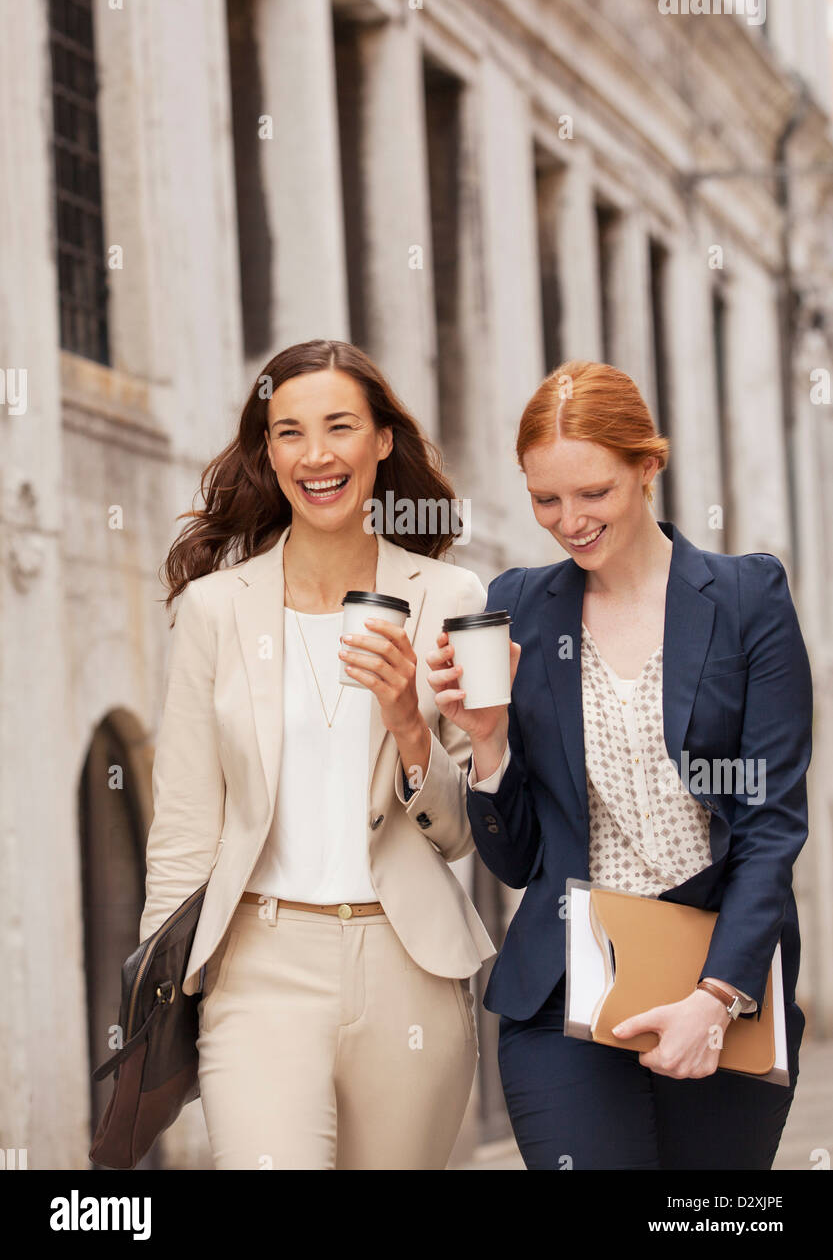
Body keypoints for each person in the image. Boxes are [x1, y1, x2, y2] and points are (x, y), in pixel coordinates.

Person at [428, 359, 812, 1170]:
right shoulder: (520, 602)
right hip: (564, 988)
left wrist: (714, 999)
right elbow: (516, 856)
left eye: (592, 492)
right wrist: (487, 742)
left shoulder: (748, 599)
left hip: (720, 979)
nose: (568, 521)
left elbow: (770, 827)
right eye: (545, 499)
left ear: (647, 465)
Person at [139, 339, 496, 1169]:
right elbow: (186, 821)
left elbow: (467, 830)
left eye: (339, 426)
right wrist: (161, 994)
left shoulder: (454, 599)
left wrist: (409, 723)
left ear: (380, 440)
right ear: (268, 452)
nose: (316, 454)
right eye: (289, 432)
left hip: (409, 965)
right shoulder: (214, 610)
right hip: (258, 968)